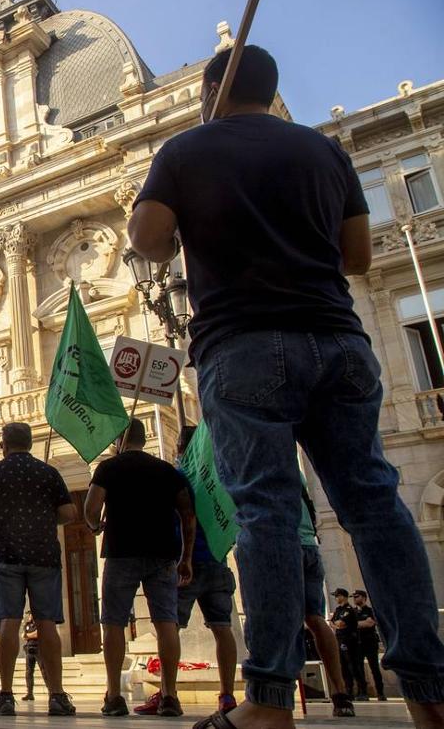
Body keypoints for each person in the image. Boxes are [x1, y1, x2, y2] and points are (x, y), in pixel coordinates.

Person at [130, 44, 444, 729]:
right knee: (375, 505)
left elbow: (149, 241)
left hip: (243, 347)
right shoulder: (324, 153)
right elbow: (357, 256)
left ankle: (269, 702)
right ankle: (431, 693)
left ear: (210, 89)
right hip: (337, 341)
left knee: (266, 513)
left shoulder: (186, 150)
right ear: (272, 90)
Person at [84, 417, 194, 718]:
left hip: (121, 552)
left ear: (120, 441)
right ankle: (170, 694)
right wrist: (186, 556)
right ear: (144, 440)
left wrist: (96, 526)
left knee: (114, 622)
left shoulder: (109, 468)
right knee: (166, 622)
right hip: (163, 555)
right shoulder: (167, 470)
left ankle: (114, 695)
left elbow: (91, 509)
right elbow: (187, 514)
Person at [0, 422, 76, 717]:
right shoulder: (48, 472)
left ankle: (6, 694)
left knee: (9, 621)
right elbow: (69, 513)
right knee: (46, 624)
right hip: (44, 555)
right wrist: (45, 521)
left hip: (5, 555)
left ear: (3, 445)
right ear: (30, 443)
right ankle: (56, 694)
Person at [135, 426, 238, 717]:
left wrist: (183, 558)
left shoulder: (177, 477)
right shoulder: (218, 479)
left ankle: (169, 694)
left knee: (170, 628)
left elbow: (179, 517)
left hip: (184, 563)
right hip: (218, 561)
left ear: (180, 448)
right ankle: (227, 695)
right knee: (222, 628)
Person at [300, 490, 356, 718]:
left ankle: (274, 697)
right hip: (309, 545)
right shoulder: (298, 475)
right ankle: (340, 693)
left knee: (281, 619)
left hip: (283, 543)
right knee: (315, 619)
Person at [351, 590, 387, 701]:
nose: (355, 599)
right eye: (354, 597)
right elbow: (347, 625)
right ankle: (362, 692)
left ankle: (380, 692)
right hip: (357, 643)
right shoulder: (352, 612)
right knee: (359, 669)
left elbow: (370, 623)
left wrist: (355, 624)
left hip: (370, 642)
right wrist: (359, 624)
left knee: (374, 668)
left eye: (357, 596)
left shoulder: (370, 611)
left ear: (363, 597)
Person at [330, 589, 360, 696]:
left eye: (338, 596)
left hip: (349, 640)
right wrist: (336, 624)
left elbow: (341, 623)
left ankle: (361, 690)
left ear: (343, 596)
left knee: (352, 665)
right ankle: (348, 689)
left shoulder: (349, 610)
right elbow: (332, 623)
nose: (336, 598)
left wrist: (338, 624)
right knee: (343, 666)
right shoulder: (338, 610)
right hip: (339, 639)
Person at [22, 618, 39, 702]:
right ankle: (29, 693)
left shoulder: (39, 623)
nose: (29, 616)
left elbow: (38, 634)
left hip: (38, 648)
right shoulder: (27, 625)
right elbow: (23, 635)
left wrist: (28, 635)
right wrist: (29, 635)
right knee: (29, 672)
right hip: (29, 649)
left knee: (44, 670)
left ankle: (51, 692)